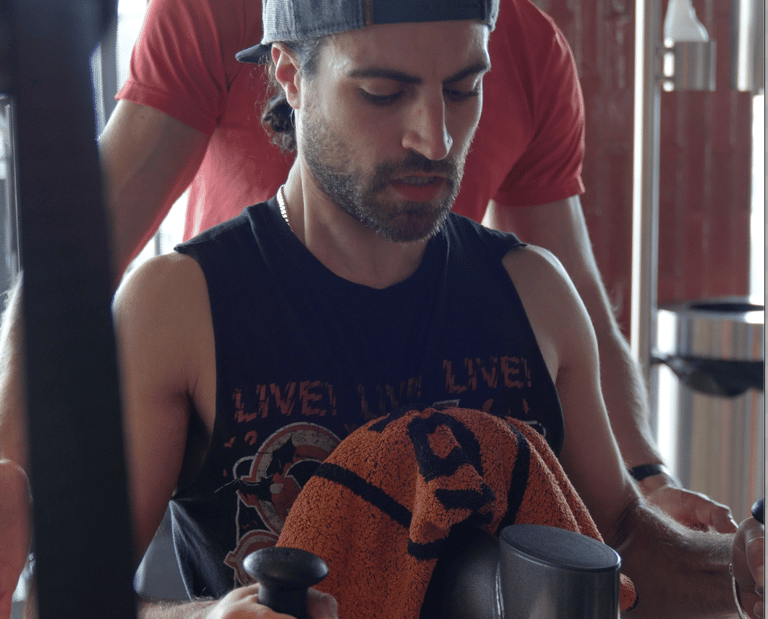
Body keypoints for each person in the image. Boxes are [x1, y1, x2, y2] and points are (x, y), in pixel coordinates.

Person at [0, 2, 749, 617]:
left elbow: (625, 542)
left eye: (464, 89)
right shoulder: (178, 312)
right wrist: (204, 618)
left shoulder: (537, 296)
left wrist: (743, 567)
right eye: (383, 93)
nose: (436, 137)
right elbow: (66, 601)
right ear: (290, 76)